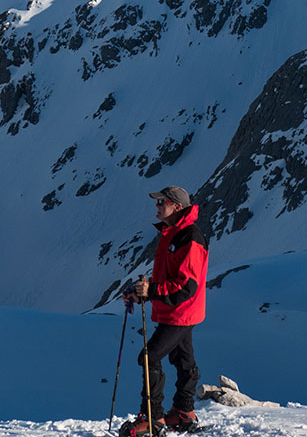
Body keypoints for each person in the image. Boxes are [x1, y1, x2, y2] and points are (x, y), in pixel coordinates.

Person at [123, 185, 209, 436]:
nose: (157, 206)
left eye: (163, 202)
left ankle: (152, 418)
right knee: (183, 360)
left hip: (180, 311)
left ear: (177, 207)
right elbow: (169, 278)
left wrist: (150, 292)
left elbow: (186, 284)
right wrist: (142, 294)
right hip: (179, 311)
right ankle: (184, 411)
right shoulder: (172, 234)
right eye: (158, 202)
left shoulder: (188, 237)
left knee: (149, 357)